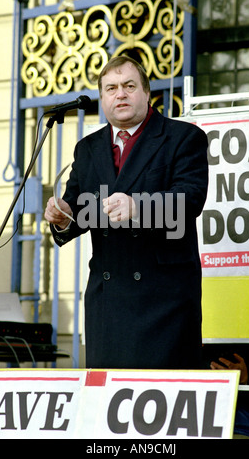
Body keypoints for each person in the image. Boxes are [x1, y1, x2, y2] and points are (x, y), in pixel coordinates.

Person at [44, 55, 209, 370]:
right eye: (111, 88)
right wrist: (64, 215)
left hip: (165, 304)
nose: (120, 94)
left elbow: (190, 199)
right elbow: (79, 208)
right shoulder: (87, 148)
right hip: (107, 304)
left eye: (129, 86)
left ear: (147, 93)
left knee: (161, 407)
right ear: (103, 98)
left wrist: (137, 206)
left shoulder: (183, 138)